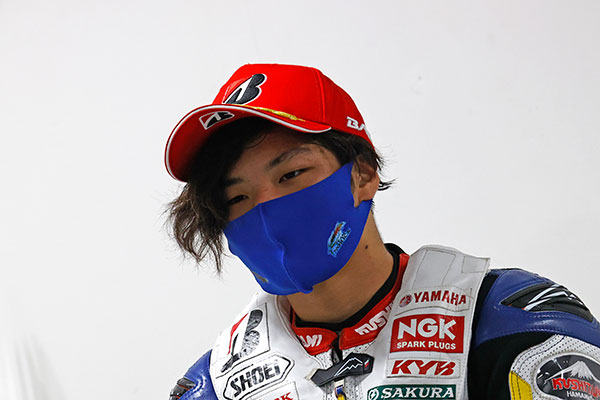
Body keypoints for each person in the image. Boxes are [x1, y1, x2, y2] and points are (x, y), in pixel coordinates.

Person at [164, 64, 600, 400]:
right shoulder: (215, 384)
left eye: (291, 174)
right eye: (237, 198)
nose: (265, 209)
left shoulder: (509, 322)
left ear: (363, 175)